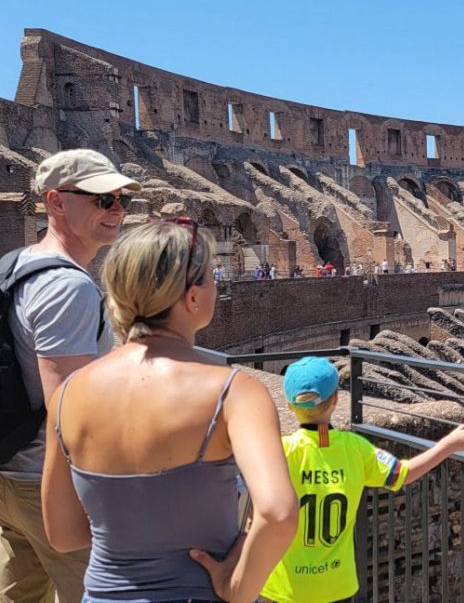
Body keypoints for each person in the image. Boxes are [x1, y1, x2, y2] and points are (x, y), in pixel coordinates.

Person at [40, 219, 298, 602]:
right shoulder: (234, 392)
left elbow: (62, 535)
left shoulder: (68, 394)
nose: (215, 286)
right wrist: (236, 588)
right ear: (192, 298)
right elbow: (278, 513)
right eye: (211, 277)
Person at [0, 150, 138, 602]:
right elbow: (70, 412)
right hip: (45, 481)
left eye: (120, 200)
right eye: (101, 199)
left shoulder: (14, 264)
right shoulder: (69, 288)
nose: (116, 210)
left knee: (22, 591)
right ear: (56, 202)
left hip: (9, 470)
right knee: (105, 592)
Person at [261, 357, 464, 603]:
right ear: (336, 399)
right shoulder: (355, 449)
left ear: (288, 405)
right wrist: (447, 445)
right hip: (337, 585)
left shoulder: (279, 451)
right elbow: (402, 473)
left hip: (285, 588)